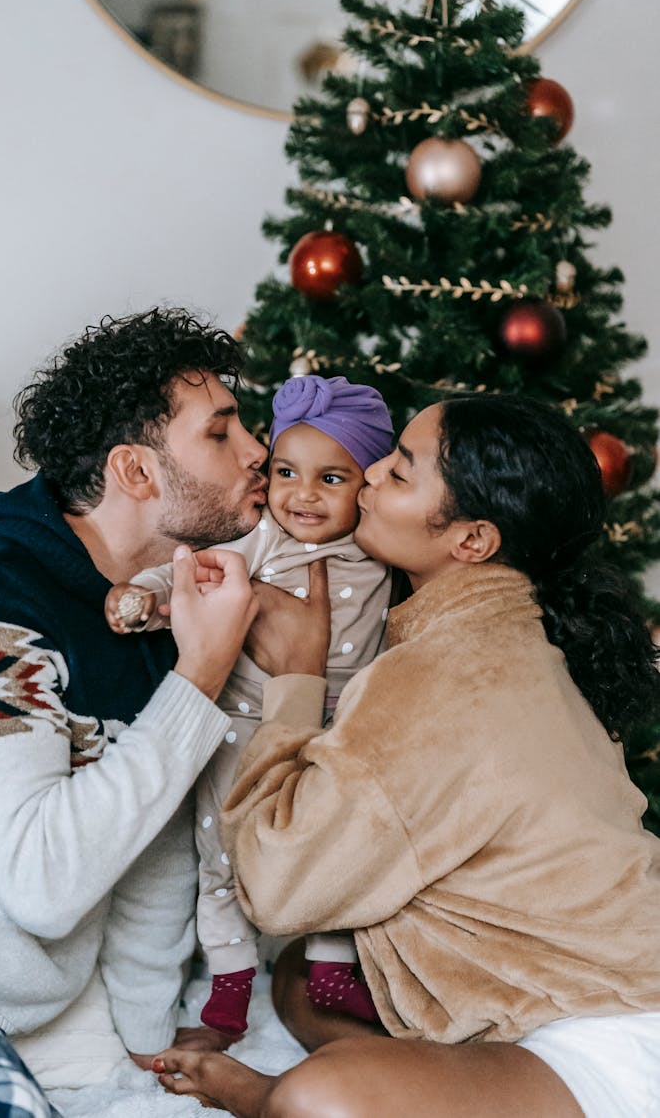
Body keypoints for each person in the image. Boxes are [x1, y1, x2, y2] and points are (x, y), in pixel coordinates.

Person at [155, 393, 660, 1118]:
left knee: (318, 1098)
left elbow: (278, 881)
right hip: (562, 979)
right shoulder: (507, 632)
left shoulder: (452, 669)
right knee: (302, 976)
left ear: (472, 540)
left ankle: (266, 1096)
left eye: (398, 471)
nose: (365, 476)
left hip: (614, 1032)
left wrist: (298, 674)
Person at [0, 307, 270, 1114]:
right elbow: (42, 882)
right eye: (220, 433)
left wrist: (148, 1041)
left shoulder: (154, 612)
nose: (258, 450)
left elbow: (151, 849)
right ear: (135, 471)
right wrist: (200, 678)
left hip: (17, 1001)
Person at [105, 374, 395, 1036]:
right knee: (221, 851)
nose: (301, 494)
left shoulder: (379, 551)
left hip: (336, 731)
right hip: (240, 727)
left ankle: (330, 966)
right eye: (287, 471)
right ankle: (230, 977)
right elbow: (197, 567)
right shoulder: (266, 537)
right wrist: (145, 595)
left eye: (332, 478)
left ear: (367, 485)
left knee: (337, 845)